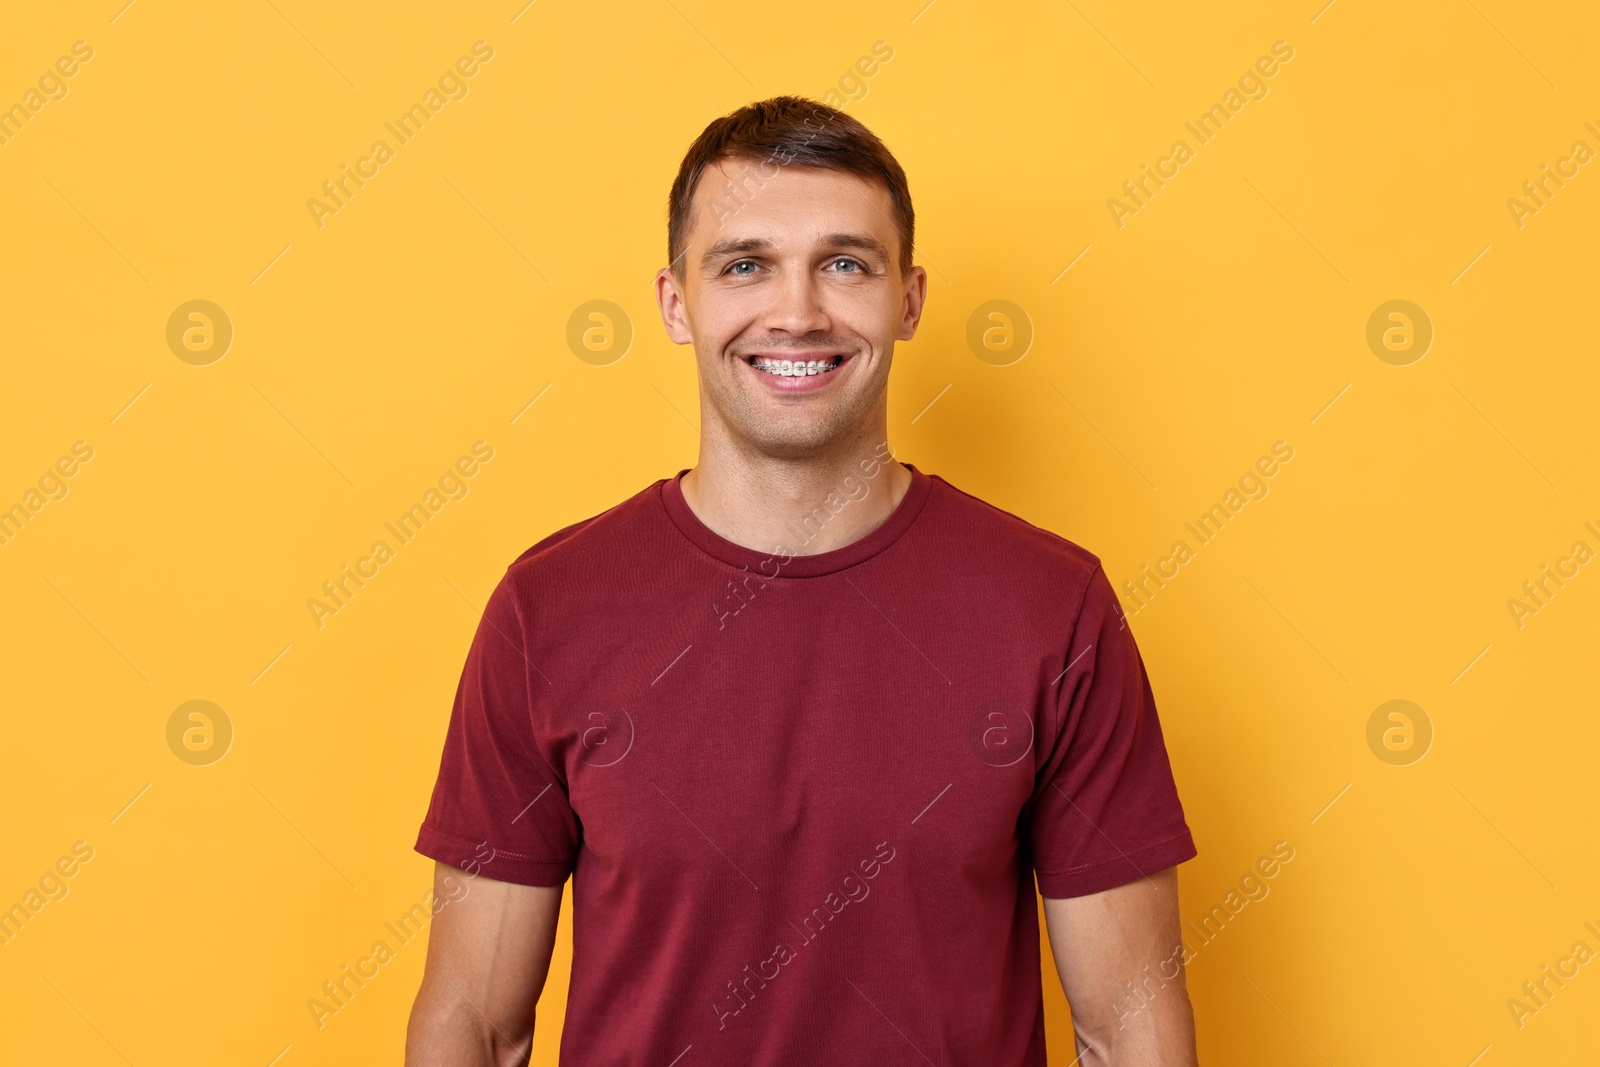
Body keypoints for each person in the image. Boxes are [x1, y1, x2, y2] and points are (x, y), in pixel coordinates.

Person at [405, 96, 1199, 1066]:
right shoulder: (550, 609)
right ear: (674, 301)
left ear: (907, 299)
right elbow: (476, 1027)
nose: (796, 311)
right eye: (745, 264)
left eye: (844, 264)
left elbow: (1127, 1028)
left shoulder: (1052, 606)